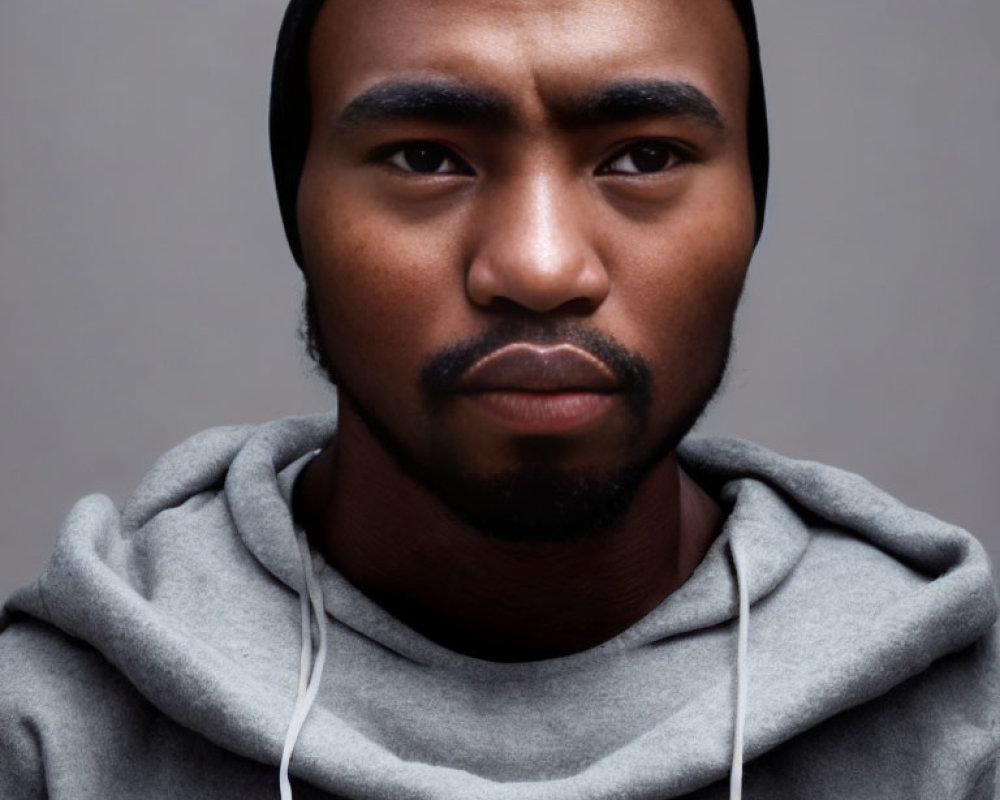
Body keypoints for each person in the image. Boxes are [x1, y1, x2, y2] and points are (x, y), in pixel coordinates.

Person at [1, 0, 997, 798]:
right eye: (427, 156)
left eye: (643, 156)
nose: (538, 264)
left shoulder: (966, 732)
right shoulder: (45, 732)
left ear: (751, 211)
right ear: (298, 211)